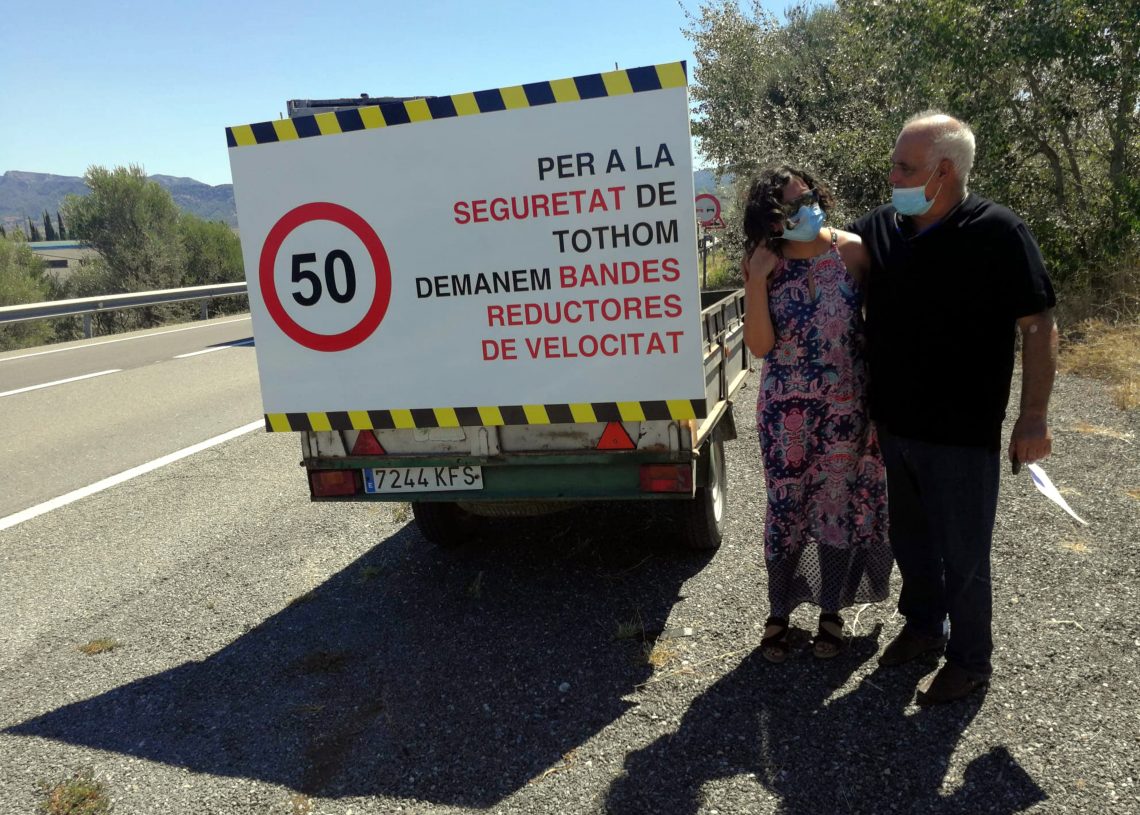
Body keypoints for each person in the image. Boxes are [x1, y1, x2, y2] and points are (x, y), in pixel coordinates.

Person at [849, 111, 1058, 704]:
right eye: (894, 164)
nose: (892, 175)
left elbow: (1038, 325)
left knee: (964, 555)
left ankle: (970, 662)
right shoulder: (885, 228)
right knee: (912, 542)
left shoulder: (998, 232)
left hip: (962, 433)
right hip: (896, 425)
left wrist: (1033, 415)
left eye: (904, 166)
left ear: (944, 172)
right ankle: (922, 629)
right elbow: (833, 251)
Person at [741, 165, 891, 664]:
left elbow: (881, 326)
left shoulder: (852, 251)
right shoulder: (763, 260)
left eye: (807, 198)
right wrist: (757, 281)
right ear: (770, 217)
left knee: (836, 505)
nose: (804, 210)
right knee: (786, 508)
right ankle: (778, 613)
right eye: (789, 206)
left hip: (846, 408)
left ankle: (832, 610)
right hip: (785, 414)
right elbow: (760, 346)